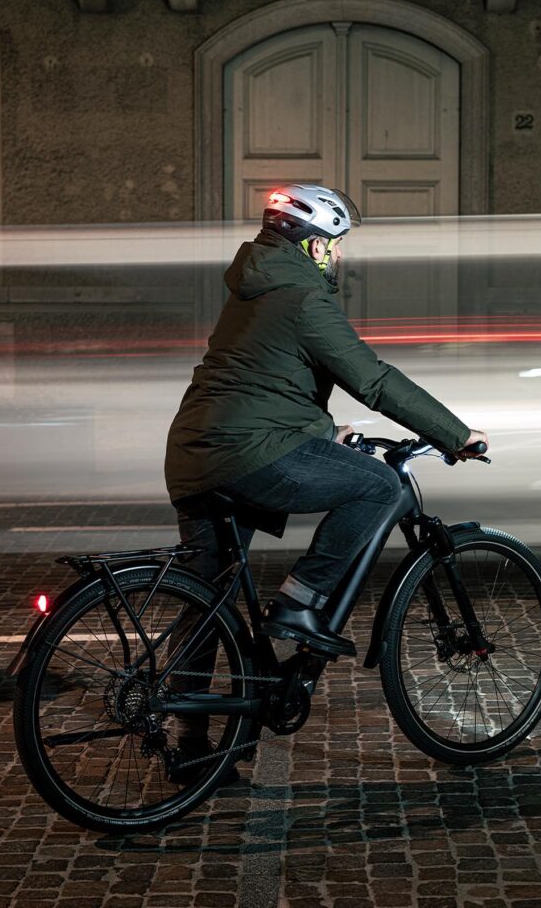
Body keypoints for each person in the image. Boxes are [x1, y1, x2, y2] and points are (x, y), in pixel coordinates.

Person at [163, 184, 487, 772]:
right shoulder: (303, 298)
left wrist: (318, 433)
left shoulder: (253, 287)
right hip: (248, 451)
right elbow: (374, 379)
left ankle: (190, 743)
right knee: (380, 486)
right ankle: (302, 601)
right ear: (313, 247)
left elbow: (263, 378)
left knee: (205, 598)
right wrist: (455, 433)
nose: (340, 257)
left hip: (195, 452)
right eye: (336, 245)